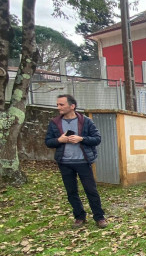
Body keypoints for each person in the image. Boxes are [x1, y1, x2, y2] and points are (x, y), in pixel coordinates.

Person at [45, 94, 108, 228]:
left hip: (83, 161)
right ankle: (79, 217)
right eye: (57, 104)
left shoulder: (86, 121)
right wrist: (59, 140)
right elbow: (48, 142)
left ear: (72, 106)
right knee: (71, 192)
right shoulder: (54, 123)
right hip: (65, 163)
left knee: (91, 190)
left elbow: (97, 138)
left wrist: (82, 139)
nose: (58, 107)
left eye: (61, 105)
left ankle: (99, 217)